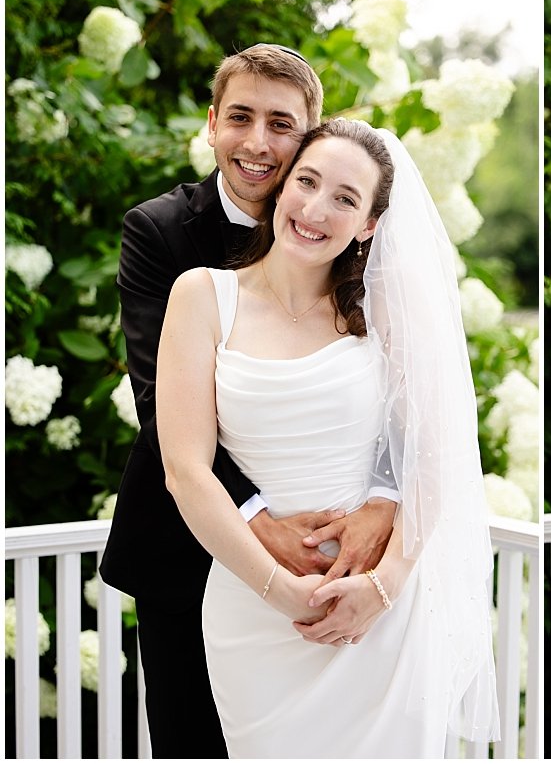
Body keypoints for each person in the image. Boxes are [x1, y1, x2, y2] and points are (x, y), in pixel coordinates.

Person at [156, 118, 500, 756]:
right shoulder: (202, 296)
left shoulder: (386, 312)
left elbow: (435, 455)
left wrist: (383, 585)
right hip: (252, 606)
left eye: (345, 198)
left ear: (370, 223)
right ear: (282, 187)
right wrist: (282, 590)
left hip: (379, 608)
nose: (316, 209)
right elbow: (186, 471)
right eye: (307, 182)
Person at [99, 45, 397, 757]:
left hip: (334, 570)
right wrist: (260, 518)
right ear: (211, 125)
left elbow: (394, 401)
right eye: (240, 118)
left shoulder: (359, 253)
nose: (258, 143)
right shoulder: (160, 233)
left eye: (281, 124)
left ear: (310, 137)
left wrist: (386, 496)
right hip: (184, 551)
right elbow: (159, 405)